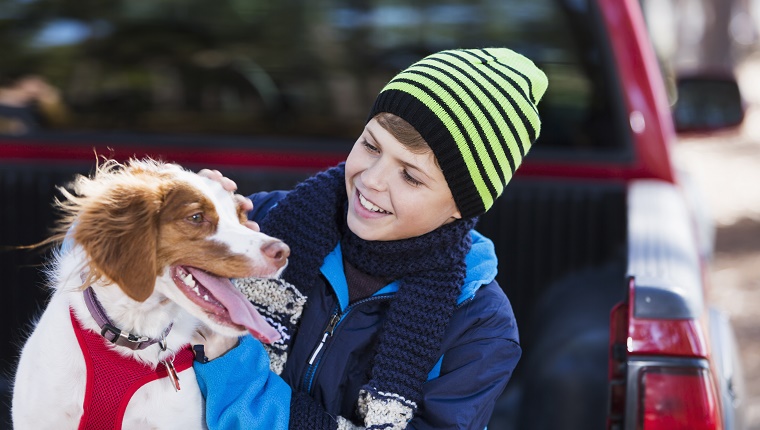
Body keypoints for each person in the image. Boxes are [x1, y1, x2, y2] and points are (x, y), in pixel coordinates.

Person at [193, 47, 548, 429]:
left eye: (410, 176)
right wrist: (183, 226)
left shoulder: (479, 327)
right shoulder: (264, 225)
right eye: (371, 146)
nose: (372, 179)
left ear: (461, 206)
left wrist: (233, 369)